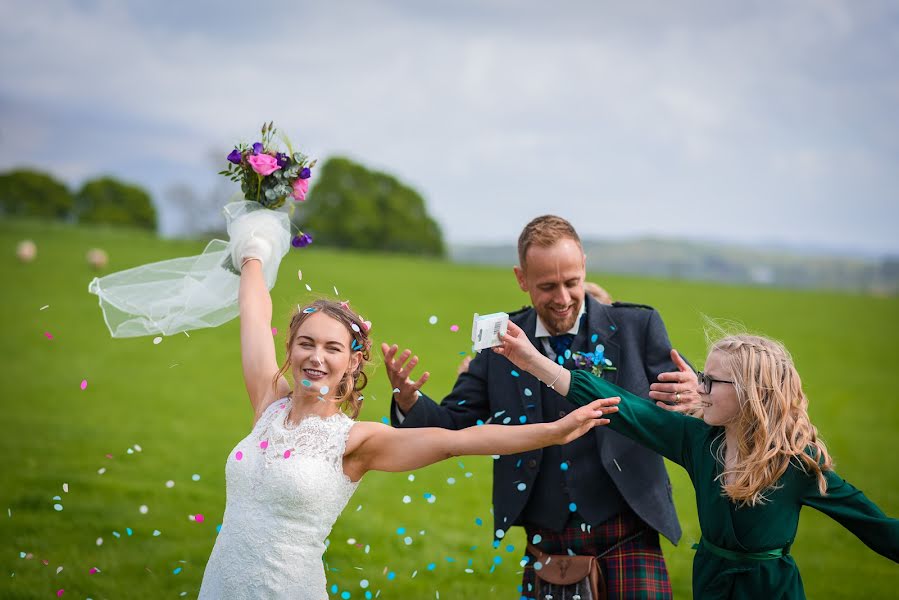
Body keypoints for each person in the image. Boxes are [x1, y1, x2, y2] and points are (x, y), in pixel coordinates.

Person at [196, 232, 621, 600]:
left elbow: (460, 441)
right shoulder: (268, 403)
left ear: (351, 363)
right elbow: (254, 314)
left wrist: (556, 431)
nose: (316, 357)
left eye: (332, 348)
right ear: (289, 349)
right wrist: (254, 242)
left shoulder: (355, 441)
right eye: (306, 343)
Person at [382, 215, 696, 599]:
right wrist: (408, 400)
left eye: (571, 282)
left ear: (584, 265)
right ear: (521, 279)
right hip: (548, 539)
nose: (562, 298)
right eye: (547, 286)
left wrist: (695, 391)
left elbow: (685, 397)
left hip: (628, 531)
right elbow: (452, 424)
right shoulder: (500, 342)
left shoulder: (636, 326)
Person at [493, 324, 899, 599]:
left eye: (710, 381)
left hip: (772, 590)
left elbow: (875, 526)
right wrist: (532, 361)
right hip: (711, 584)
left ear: (751, 394)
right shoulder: (696, 440)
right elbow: (621, 407)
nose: (697, 387)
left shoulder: (797, 462)